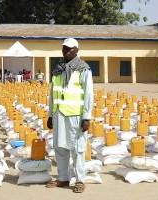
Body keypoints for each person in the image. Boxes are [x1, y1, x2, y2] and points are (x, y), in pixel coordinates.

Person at [46, 38, 93, 193]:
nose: (66, 51)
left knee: (78, 149)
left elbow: (88, 94)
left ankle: (80, 180)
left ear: (76, 51)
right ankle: (63, 178)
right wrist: (50, 114)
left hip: (76, 115)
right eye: (64, 48)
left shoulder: (83, 69)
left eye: (69, 49)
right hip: (59, 114)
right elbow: (53, 94)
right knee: (60, 148)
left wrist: (87, 117)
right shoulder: (57, 70)